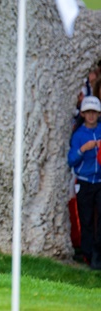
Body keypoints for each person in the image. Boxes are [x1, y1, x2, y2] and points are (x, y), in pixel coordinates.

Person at [68, 96, 101, 270]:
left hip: (100, 181)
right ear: (83, 113)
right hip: (85, 182)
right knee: (86, 220)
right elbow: (71, 160)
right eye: (88, 112)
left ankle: (98, 255)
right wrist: (83, 149)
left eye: (94, 112)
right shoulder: (79, 134)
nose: (91, 116)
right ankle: (88, 255)